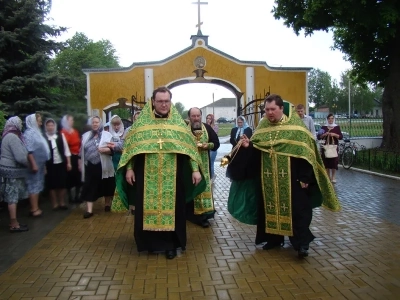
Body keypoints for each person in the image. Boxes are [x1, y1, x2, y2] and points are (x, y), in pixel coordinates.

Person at [241, 94, 340, 258]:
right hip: (269, 180)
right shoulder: (263, 127)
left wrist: (305, 178)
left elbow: (307, 155)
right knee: (269, 209)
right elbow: (258, 150)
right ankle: (273, 239)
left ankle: (302, 244)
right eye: (267, 110)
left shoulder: (297, 129)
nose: (270, 113)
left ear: (281, 109)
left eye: (273, 109)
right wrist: (249, 146)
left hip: (294, 179)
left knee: (298, 211)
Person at [115, 86, 205, 260]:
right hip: (146, 175)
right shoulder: (142, 125)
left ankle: (171, 245)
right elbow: (132, 148)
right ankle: (150, 244)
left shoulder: (178, 125)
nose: (164, 105)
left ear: (170, 102)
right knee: (145, 208)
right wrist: (130, 168)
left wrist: (195, 170)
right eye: (160, 101)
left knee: (174, 209)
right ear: (153, 102)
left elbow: (190, 149)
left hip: (174, 175)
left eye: (167, 101)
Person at [186, 108, 220, 228]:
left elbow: (216, 143)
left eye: (198, 116)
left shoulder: (207, 127)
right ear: (189, 117)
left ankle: (204, 216)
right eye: (193, 116)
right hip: (189, 167)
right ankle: (191, 215)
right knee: (191, 190)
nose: (196, 118)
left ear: (201, 116)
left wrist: (208, 145)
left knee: (204, 189)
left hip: (205, 165)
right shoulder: (185, 129)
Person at [79, 116, 115, 218]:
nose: (94, 124)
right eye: (93, 122)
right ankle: (89, 210)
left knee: (106, 184)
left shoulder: (107, 135)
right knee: (89, 186)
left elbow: (113, 150)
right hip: (90, 165)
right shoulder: (85, 136)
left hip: (103, 164)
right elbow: (81, 150)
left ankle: (107, 204)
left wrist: (105, 150)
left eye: (96, 122)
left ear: (100, 123)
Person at [226, 119, 258, 226]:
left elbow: (249, 140)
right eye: (238, 122)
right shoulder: (234, 129)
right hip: (236, 150)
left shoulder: (248, 129)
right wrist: (236, 142)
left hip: (245, 151)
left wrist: (244, 142)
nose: (239, 124)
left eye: (241, 122)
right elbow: (231, 138)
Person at [0, 117, 30, 232]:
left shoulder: (6, 135)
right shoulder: (13, 137)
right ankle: (14, 224)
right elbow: (20, 157)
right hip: (12, 172)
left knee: (10, 197)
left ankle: (14, 222)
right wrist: (29, 164)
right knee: (12, 197)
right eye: (20, 123)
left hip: (7, 170)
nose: (21, 125)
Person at [24, 113, 50, 217]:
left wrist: (43, 166)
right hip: (33, 165)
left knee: (38, 185)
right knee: (33, 185)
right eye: (38, 120)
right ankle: (34, 209)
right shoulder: (29, 134)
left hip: (40, 164)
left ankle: (36, 207)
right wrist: (34, 164)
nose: (40, 122)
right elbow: (29, 151)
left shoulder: (37, 132)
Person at [44, 119, 72, 210]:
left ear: (54, 126)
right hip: (50, 165)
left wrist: (69, 162)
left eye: (52, 125)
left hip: (61, 163)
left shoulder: (60, 136)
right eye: (48, 125)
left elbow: (66, 149)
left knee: (62, 184)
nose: (50, 127)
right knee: (52, 185)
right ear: (46, 127)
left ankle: (62, 202)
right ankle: (54, 203)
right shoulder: (44, 138)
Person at [61, 115, 82, 203]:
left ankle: (77, 196)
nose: (72, 121)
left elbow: (80, 142)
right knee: (69, 177)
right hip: (68, 157)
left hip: (77, 156)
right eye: (70, 120)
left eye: (72, 120)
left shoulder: (75, 132)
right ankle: (70, 197)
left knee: (78, 176)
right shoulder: (63, 132)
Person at [317, 114, 343, 183]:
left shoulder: (337, 127)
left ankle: (333, 176)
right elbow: (319, 136)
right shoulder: (324, 127)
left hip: (334, 147)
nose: (330, 120)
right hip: (325, 147)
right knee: (326, 162)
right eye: (329, 118)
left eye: (332, 118)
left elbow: (341, 137)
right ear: (327, 119)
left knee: (334, 162)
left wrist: (334, 135)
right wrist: (324, 135)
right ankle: (328, 176)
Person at [205, 114, 219, 180]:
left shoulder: (215, 127)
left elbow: (213, 136)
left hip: (212, 148)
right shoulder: (204, 126)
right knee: (207, 163)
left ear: (212, 120)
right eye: (207, 118)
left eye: (210, 118)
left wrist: (209, 126)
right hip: (205, 147)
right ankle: (210, 175)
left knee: (211, 163)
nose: (208, 119)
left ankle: (212, 176)